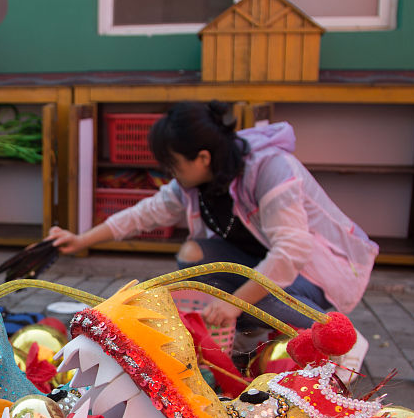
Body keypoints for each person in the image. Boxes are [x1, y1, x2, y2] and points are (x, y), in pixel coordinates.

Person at [49, 100, 378, 365]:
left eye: (174, 164)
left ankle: (334, 333)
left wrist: (234, 304)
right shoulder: (195, 182)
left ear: (203, 157)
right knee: (194, 254)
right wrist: (80, 240)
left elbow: (290, 253)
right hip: (265, 269)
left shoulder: (271, 169)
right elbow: (144, 214)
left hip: (316, 276)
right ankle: (253, 331)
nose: (171, 173)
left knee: (245, 296)